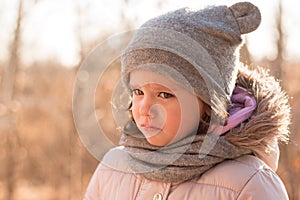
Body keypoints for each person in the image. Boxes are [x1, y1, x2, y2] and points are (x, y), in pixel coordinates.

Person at [84, 2, 291, 199]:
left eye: (164, 94)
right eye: (138, 92)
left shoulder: (249, 183)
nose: (144, 109)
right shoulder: (113, 166)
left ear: (210, 105)